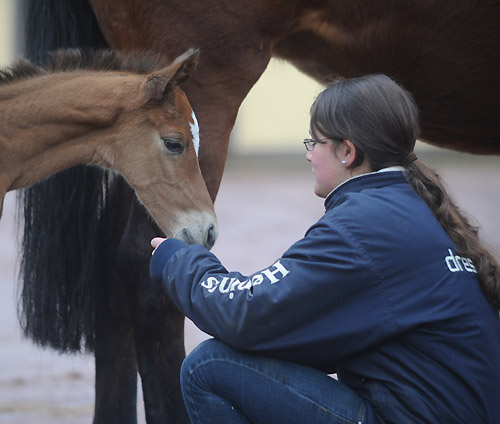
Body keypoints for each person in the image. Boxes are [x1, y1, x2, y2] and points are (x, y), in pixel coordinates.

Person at [149, 74, 500, 424]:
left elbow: (250, 310)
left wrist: (178, 261)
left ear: (347, 151)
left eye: (314, 142)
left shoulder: (363, 225)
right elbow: (296, 332)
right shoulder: (414, 206)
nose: (308, 155)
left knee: (210, 367)